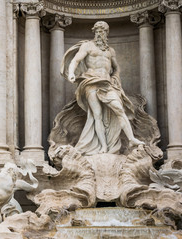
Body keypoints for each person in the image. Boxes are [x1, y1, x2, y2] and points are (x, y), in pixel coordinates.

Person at [61, 21, 144, 155]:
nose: (101, 33)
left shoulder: (110, 51)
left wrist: (115, 78)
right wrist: (71, 73)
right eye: (98, 31)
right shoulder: (87, 46)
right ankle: (103, 146)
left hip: (107, 83)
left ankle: (131, 138)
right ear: (94, 32)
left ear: (107, 33)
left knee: (119, 109)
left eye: (104, 31)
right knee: (97, 115)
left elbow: (116, 68)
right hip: (91, 81)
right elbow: (75, 60)